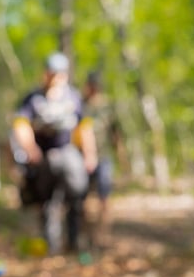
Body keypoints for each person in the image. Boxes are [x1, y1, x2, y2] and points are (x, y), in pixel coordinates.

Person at [12, 53, 97, 254]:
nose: (54, 78)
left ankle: (74, 241)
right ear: (45, 74)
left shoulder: (73, 97)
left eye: (58, 74)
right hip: (43, 156)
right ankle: (50, 245)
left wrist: (89, 153)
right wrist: (30, 149)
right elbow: (20, 125)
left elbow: (84, 127)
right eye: (51, 73)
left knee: (77, 194)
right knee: (46, 202)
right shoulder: (33, 99)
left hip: (67, 152)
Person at [81, 70, 120, 247]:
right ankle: (89, 237)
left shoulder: (108, 106)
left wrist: (120, 156)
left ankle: (104, 237)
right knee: (85, 199)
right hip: (83, 158)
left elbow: (116, 133)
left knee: (104, 198)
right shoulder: (81, 106)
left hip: (104, 157)